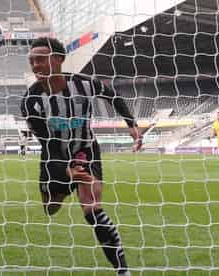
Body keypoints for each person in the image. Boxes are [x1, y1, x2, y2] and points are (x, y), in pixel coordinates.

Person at [21, 37, 142, 276]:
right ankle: (64, 188)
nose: (35, 65)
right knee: (51, 207)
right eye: (32, 61)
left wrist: (131, 123)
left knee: (92, 209)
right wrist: (66, 172)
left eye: (41, 59)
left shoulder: (85, 84)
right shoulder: (30, 101)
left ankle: (123, 271)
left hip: (85, 149)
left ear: (58, 59)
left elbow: (113, 96)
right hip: (55, 156)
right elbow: (48, 144)